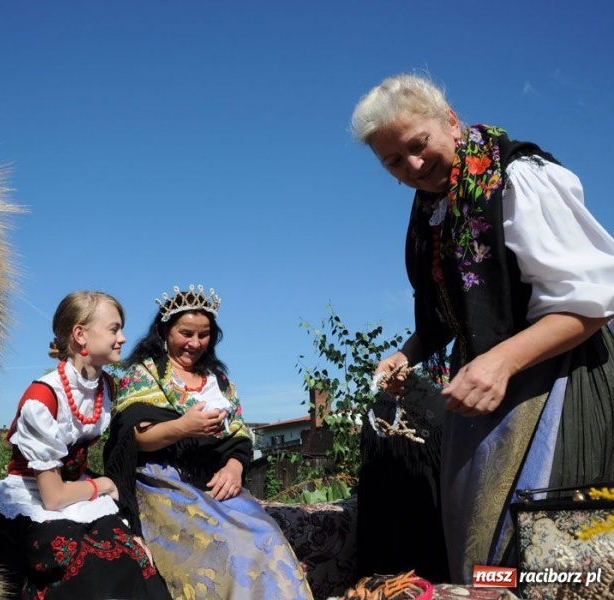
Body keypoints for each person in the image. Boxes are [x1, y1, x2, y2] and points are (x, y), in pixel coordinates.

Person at [350, 73, 614, 583]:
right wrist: (406, 353)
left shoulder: (518, 178)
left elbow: (594, 300)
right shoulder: (434, 207)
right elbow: (449, 312)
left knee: (547, 556)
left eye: (418, 145)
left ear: (450, 120)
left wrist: (501, 360)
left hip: (558, 381)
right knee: (485, 561)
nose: (414, 166)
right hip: (485, 400)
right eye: (393, 162)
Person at [104, 284, 313, 600]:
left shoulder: (219, 381)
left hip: (216, 480)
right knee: (228, 546)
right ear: (164, 331)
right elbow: (133, 440)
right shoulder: (144, 374)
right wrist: (184, 426)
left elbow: (239, 435)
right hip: (163, 484)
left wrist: (234, 466)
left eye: (203, 335)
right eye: (186, 333)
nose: (195, 343)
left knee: (268, 537)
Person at [0, 291, 172, 599]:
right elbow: (52, 497)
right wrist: (101, 485)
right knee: (86, 562)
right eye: (114, 329)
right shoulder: (43, 398)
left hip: (77, 493)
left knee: (137, 558)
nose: (123, 338)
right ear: (80, 334)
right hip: (35, 498)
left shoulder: (105, 387)